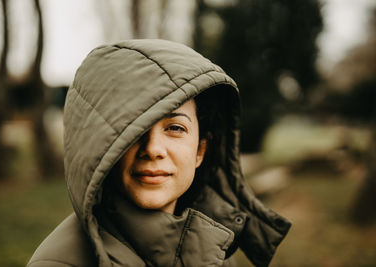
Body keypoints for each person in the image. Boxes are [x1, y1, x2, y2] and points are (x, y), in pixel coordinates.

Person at [27, 39, 291, 267]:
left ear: (200, 151)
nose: (153, 149)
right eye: (132, 130)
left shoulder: (214, 246)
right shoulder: (58, 262)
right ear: (102, 146)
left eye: (175, 128)